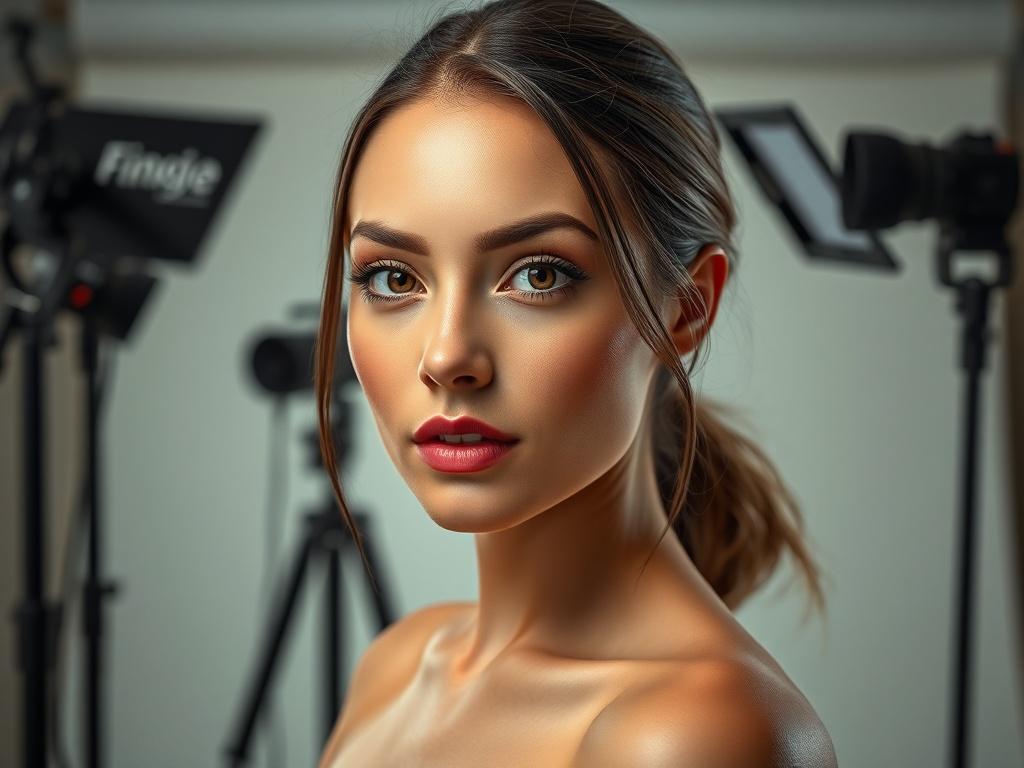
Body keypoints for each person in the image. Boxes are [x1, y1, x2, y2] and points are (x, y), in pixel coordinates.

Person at [313, 1, 838, 765]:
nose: (447, 355)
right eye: (394, 277)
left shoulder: (694, 736)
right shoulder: (396, 666)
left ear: (687, 308)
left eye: (538, 274)